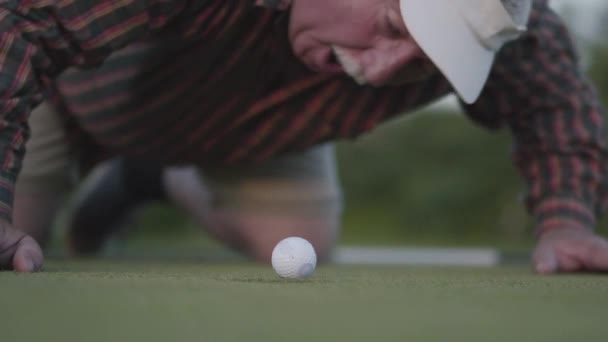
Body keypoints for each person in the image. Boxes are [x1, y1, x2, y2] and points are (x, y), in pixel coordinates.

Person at [2, 0, 608, 274]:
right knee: (18, 247)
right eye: (393, 23)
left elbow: (556, 103)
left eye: (427, 62)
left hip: (239, 133)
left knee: (302, 240)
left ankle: (150, 175)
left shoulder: (498, 25)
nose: (380, 70)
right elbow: (22, 24)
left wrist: (566, 222)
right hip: (65, 97)